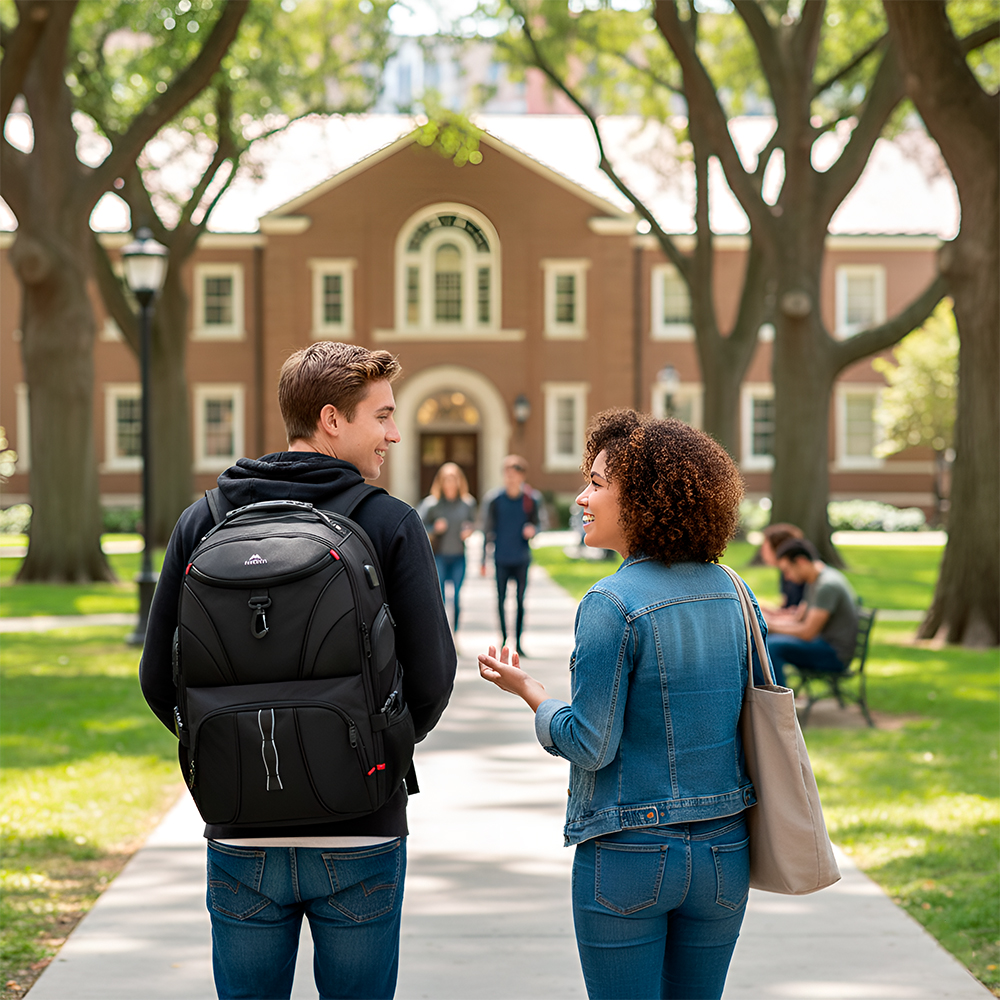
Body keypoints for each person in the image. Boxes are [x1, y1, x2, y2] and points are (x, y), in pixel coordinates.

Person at [139, 341, 456, 1000]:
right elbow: (432, 678)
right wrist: (372, 749)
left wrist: (233, 751)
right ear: (333, 420)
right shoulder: (389, 521)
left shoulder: (205, 518)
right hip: (360, 830)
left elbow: (156, 677)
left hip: (239, 829)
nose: (395, 434)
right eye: (383, 416)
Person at [478, 410, 759, 1000]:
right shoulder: (737, 591)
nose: (582, 497)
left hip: (630, 851)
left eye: (599, 483)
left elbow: (589, 743)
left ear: (644, 498)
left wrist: (533, 695)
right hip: (725, 852)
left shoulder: (612, 601)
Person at [762, 538, 859, 689]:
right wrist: (767, 619)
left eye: (787, 570)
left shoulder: (827, 585)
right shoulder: (815, 580)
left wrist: (771, 626)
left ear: (801, 561)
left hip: (834, 654)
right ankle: (770, 697)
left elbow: (807, 632)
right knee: (768, 640)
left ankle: (779, 704)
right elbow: (797, 618)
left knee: (773, 646)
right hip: (823, 644)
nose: (787, 577)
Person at [480, 455, 542, 656]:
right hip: (501, 558)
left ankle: (520, 641)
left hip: (521, 558)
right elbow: (487, 530)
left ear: (522, 476)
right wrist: (483, 559)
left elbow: (539, 524)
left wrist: (533, 529)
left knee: (520, 601)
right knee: (501, 600)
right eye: (507, 474)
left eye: (514, 474)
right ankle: (505, 639)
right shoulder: (495, 500)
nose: (510, 478)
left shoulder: (530, 499)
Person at [418, 462, 477, 630]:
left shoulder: (468, 503)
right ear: (440, 482)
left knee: (457, 598)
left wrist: (469, 531)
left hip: (459, 556)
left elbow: (472, 523)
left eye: (454, 479)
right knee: (440, 598)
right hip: (439, 557)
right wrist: (434, 529)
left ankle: (455, 633)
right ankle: (443, 634)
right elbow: (418, 527)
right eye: (447, 480)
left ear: (459, 481)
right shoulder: (432, 504)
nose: (450, 483)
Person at [758, 522, 806, 610]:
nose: (762, 553)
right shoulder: (784, 573)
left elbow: (795, 610)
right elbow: (787, 606)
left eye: (765, 548)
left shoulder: (798, 575)